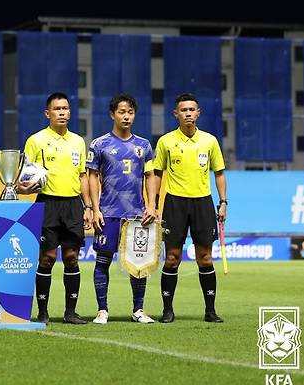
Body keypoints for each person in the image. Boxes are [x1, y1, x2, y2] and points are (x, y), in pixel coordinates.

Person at [16, 92, 93, 325]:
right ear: (47, 113)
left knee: (72, 258)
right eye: (57, 109)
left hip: (72, 205)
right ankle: (42, 312)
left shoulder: (78, 141)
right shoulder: (36, 140)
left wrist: (87, 206)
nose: (62, 112)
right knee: (47, 258)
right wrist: (24, 187)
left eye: (66, 108)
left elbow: (83, 176)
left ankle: (70, 312)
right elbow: (25, 175)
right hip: (47, 204)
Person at [153, 92, 227, 323]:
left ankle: (210, 310)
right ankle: (167, 310)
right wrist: (154, 205)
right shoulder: (166, 141)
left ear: (198, 112)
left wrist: (223, 202)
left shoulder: (210, 141)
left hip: (202, 202)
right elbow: (156, 173)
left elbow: (220, 173)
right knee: (172, 258)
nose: (188, 113)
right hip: (174, 203)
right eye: (183, 110)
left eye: (191, 109)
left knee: (205, 258)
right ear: (176, 114)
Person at [86, 94, 157, 325]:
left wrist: (152, 206)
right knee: (103, 261)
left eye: (130, 112)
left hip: (137, 214)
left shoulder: (144, 146)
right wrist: (95, 209)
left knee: (139, 263)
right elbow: (92, 177)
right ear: (112, 114)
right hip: (108, 212)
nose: (126, 116)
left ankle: (138, 310)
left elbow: (150, 176)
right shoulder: (99, 144)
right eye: (121, 112)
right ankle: (102, 310)